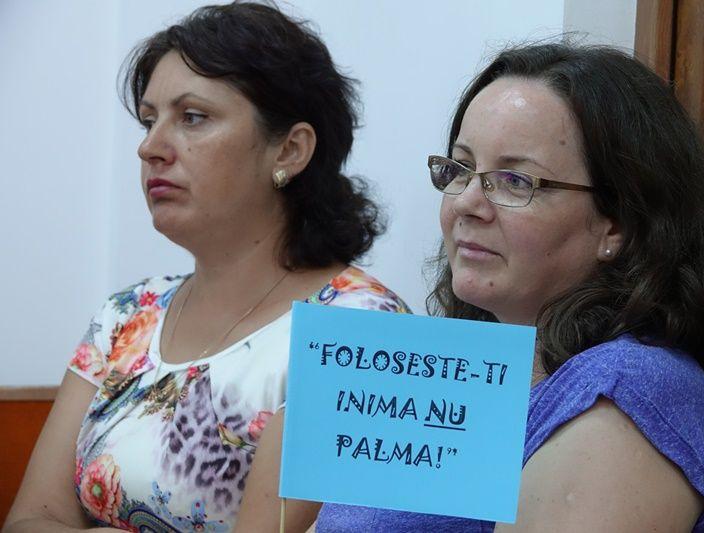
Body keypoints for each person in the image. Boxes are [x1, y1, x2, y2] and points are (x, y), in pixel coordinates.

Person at [315, 43, 704, 531]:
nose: (466, 203)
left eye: (515, 181)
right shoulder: (474, 366)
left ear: (617, 223)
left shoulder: (627, 392)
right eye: (459, 169)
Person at [4, 3, 409, 532]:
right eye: (149, 120)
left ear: (290, 150)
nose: (150, 147)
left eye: (192, 117)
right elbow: (29, 519)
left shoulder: (360, 331)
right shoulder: (127, 315)